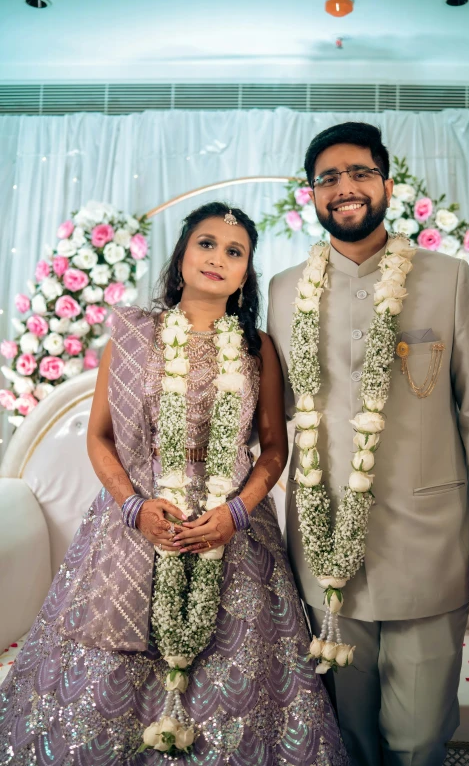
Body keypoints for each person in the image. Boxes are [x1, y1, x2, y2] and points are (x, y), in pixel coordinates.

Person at [0, 202, 348, 765]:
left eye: (234, 252)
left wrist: (235, 514)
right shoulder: (134, 336)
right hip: (135, 523)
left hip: (233, 532)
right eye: (206, 243)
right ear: (182, 254)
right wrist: (134, 505)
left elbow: (274, 448)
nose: (218, 258)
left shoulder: (258, 349)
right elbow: (100, 438)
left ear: (246, 274)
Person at [267, 122, 469, 766]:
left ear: (386, 183)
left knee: (418, 735)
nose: (345, 188)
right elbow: (271, 414)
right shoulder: (284, 290)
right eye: (329, 178)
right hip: (323, 551)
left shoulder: (446, 277)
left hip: (429, 541)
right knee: (343, 733)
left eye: (360, 173)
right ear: (312, 194)